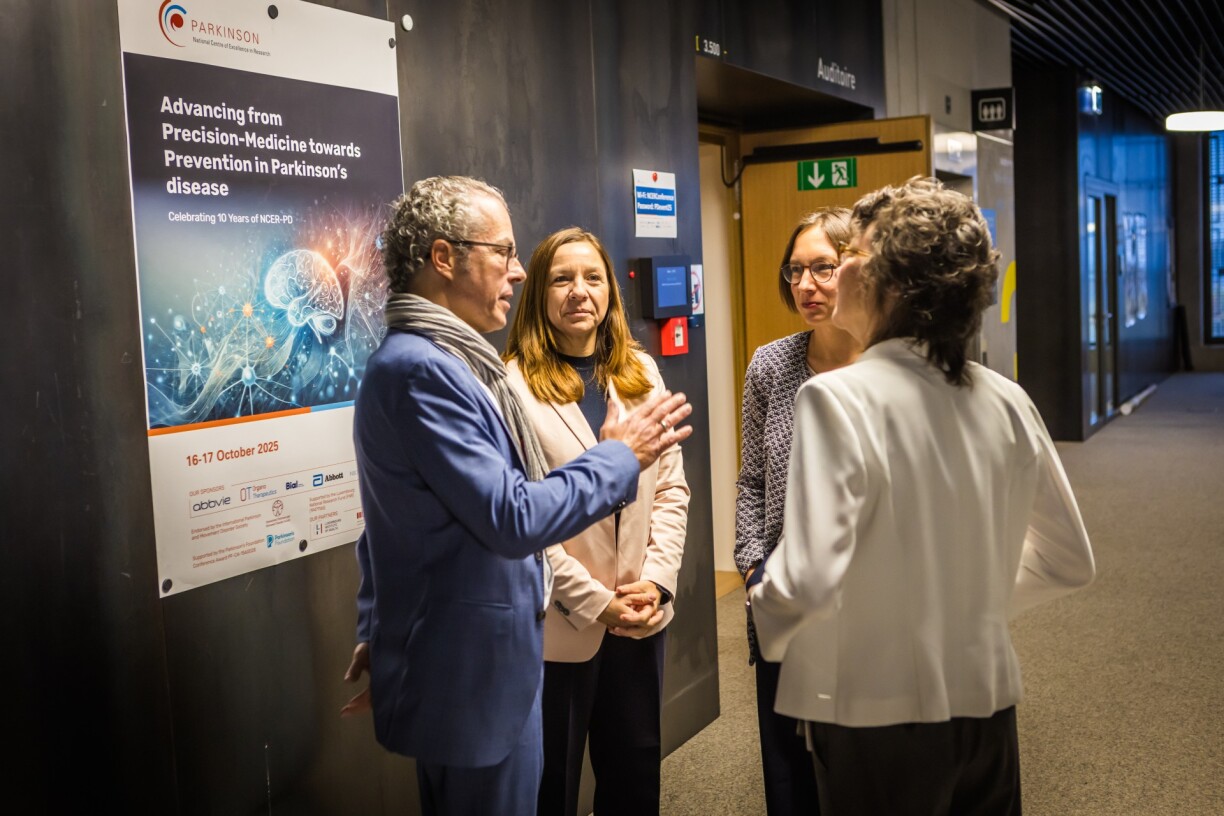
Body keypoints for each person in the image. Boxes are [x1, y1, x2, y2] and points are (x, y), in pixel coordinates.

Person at [343, 177, 692, 816]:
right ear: (444, 258)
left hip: (488, 658)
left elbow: (389, 529)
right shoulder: (431, 370)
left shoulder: (449, 364)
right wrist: (619, 456)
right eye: (504, 254)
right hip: (484, 672)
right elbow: (512, 515)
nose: (516, 273)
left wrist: (382, 627)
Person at [746, 177, 1096, 815]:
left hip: (872, 716)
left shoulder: (835, 398)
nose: (835, 270)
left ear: (889, 283)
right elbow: (1070, 560)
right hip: (988, 706)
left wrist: (764, 610)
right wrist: (962, 600)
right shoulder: (1005, 397)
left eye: (853, 256)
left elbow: (810, 580)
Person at [503, 227, 690, 816]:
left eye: (592, 277)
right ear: (538, 294)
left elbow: (671, 490)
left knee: (634, 779)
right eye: (561, 278)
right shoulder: (510, 387)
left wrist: (655, 583)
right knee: (550, 788)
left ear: (611, 288)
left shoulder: (640, 371)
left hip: (639, 614)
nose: (579, 291)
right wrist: (593, 601)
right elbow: (522, 522)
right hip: (561, 627)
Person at [734, 207, 859, 814]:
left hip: (867, 603)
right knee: (787, 766)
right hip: (785, 595)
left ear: (859, 271)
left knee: (860, 761)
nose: (806, 286)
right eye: (795, 271)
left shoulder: (889, 368)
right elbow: (752, 482)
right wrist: (755, 571)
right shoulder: (771, 366)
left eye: (824, 269)